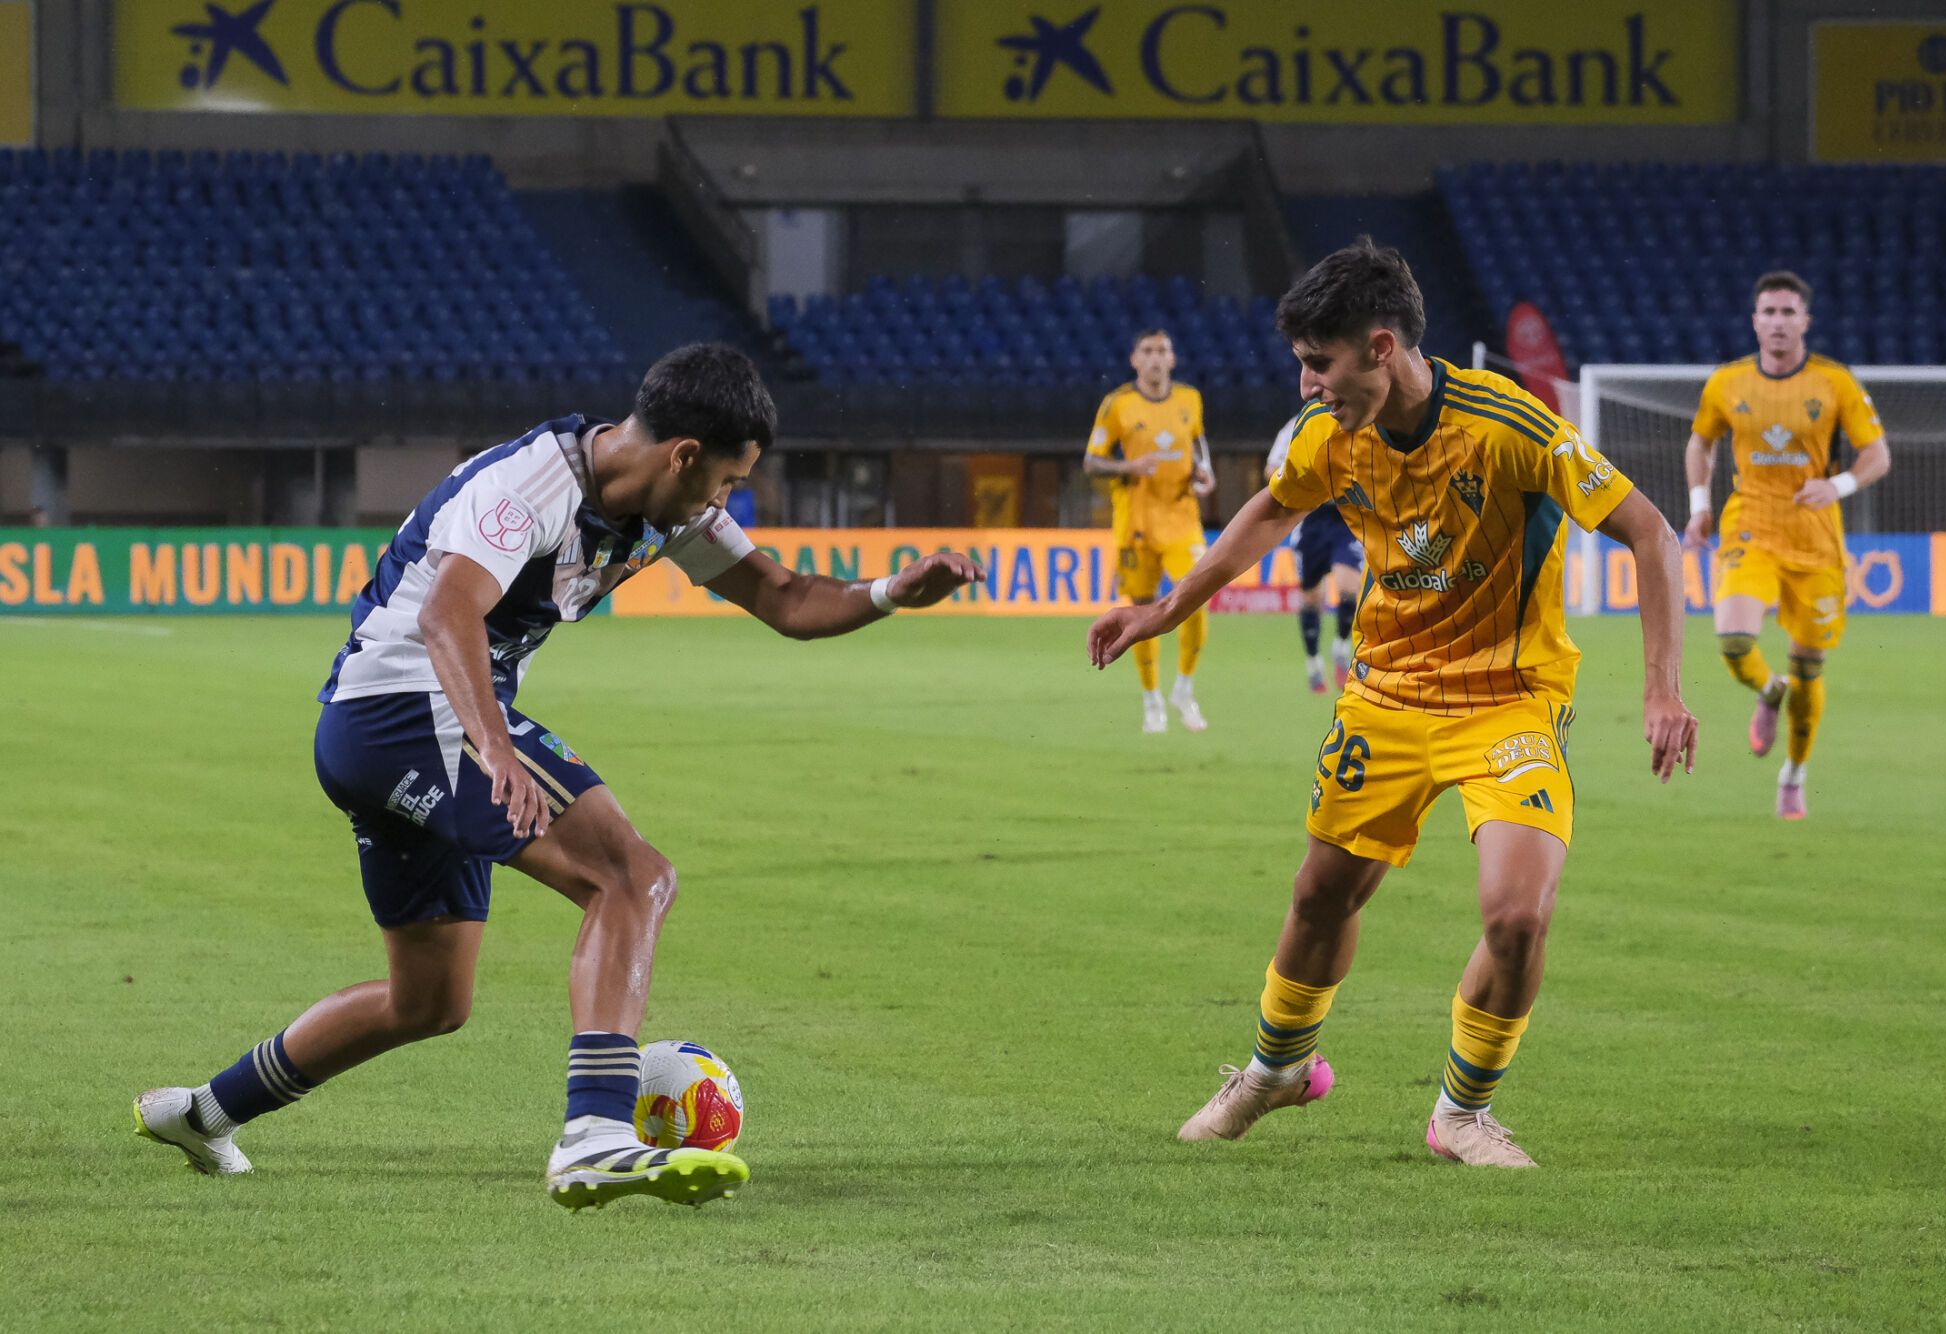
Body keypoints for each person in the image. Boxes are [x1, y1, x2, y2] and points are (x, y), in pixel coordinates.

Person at [132, 344, 981, 1209]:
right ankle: (597, 1134)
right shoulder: (527, 485)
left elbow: (786, 597)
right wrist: (496, 749)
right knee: (632, 876)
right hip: (405, 712)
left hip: (401, 728)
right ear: (683, 453)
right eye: (724, 480)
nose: (725, 500)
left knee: (428, 1001)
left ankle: (201, 1113)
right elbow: (448, 612)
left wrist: (886, 592)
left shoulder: (671, 507)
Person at [1088, 240, 1698, 1166]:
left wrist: (1662, 688)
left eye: (1319, 362)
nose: (1306, 382)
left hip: (1508, 699)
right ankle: (1275, 1071)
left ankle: (1460, 1112)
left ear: (1381, 348)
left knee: (1518, 916)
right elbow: (1267, 512)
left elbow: (1651, 533)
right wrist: (1165, 609)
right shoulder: (1328, 434)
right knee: (1321, 895)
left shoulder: (1509, 427)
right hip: (1385, 694)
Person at [1683, 271, 1890, 820]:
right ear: (1755, 321)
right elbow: (1700, 442)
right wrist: (1699, 506)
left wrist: (1839, 484)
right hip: (1750, 523)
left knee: (1809, 669)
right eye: (1768, 312)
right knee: (1731, 640)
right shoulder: (1727, 383)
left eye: (1788, 312)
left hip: (1816, 539)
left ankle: (1793, 775)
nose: (1778, 322)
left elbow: (1878, 454)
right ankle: (1766, 689)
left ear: (1805, 321)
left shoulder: (1834, 382)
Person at [1083, 329, 1217, 733]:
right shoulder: (1118, 404)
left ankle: (1184, 688)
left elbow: (1199, 448)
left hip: (1181, 520)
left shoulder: (1190, 400)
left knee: (1195, 598)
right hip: (1136, 524)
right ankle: (1151, 699)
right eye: (1148, 351)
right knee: (1140, 608)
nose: (1156, 358)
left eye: (1163, 351)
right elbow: (1092, 461)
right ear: (1134, 359)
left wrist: (1203, 474)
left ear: (1173, 359)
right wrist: (1128, 467)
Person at [1265, 418, 1363, 693]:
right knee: (1310, 597)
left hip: (1345, 518)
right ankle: (1313, 664)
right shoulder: (1298, 425)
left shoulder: (1353, 418)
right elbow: (1271, 469)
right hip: (1310, 520)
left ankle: (1341, 647)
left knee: (1349, 590)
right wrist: (1300, 480)